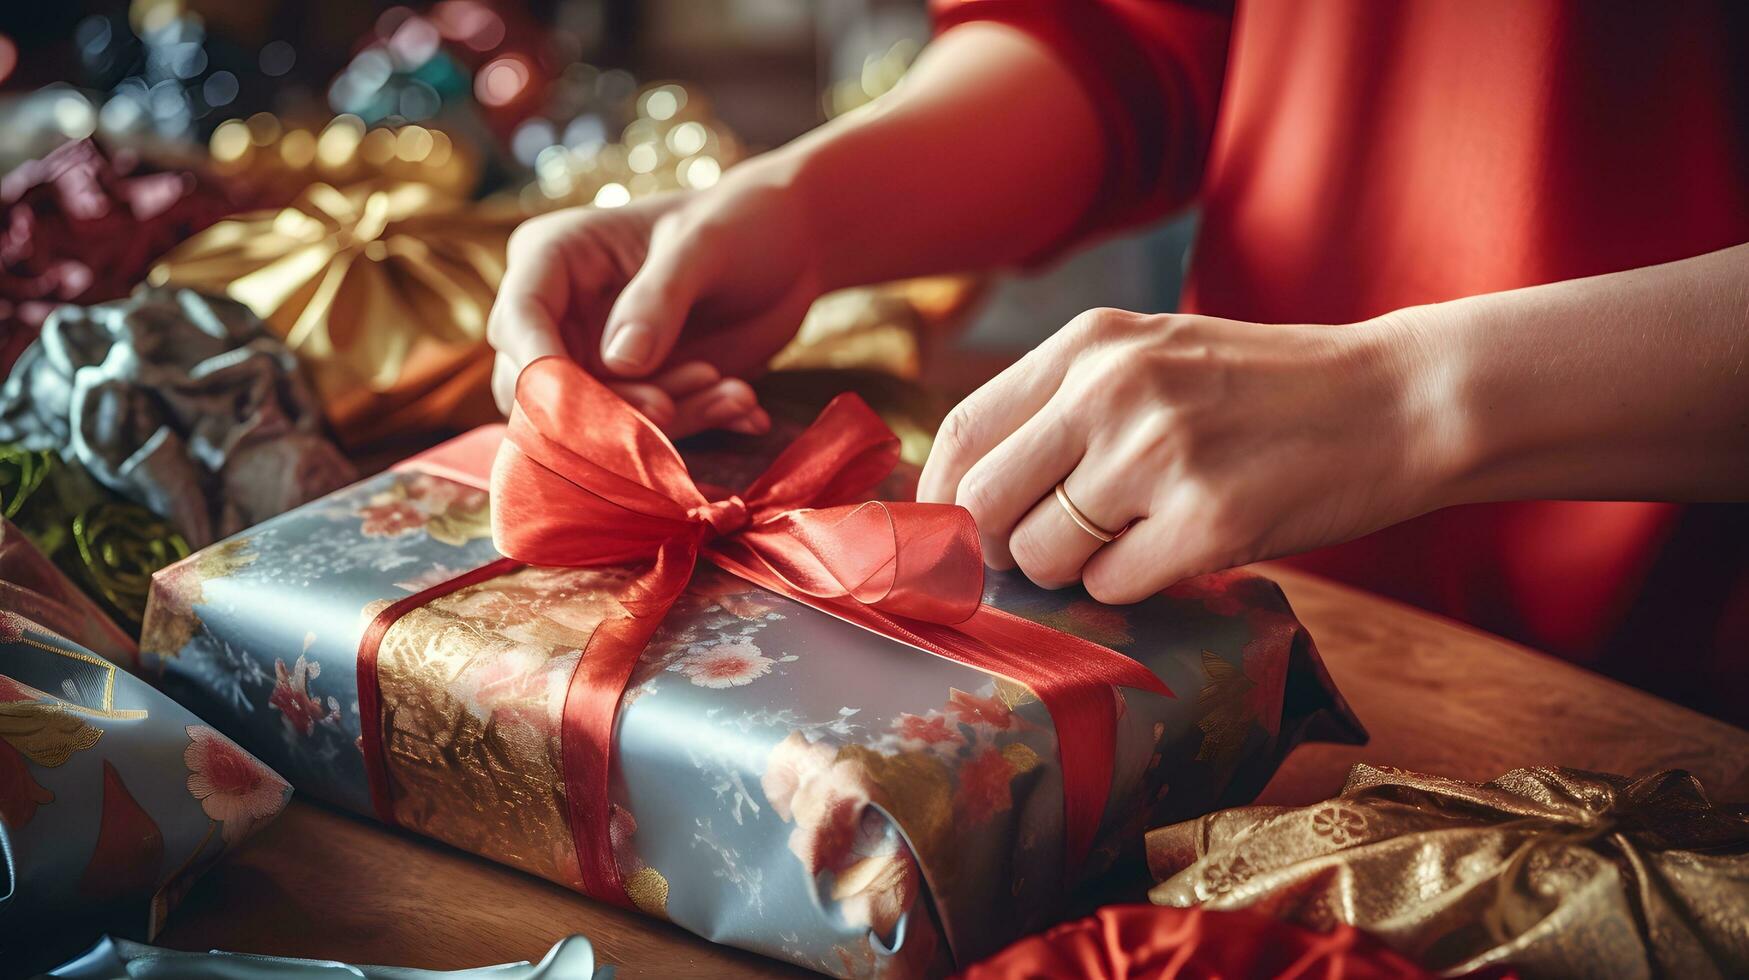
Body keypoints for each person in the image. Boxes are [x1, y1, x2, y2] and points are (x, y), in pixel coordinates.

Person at [486, 2, 1749, 707]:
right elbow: (1140, 40)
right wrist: (799, 212)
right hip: (1226, 635)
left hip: (1681, 700)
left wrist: (1412, 397)